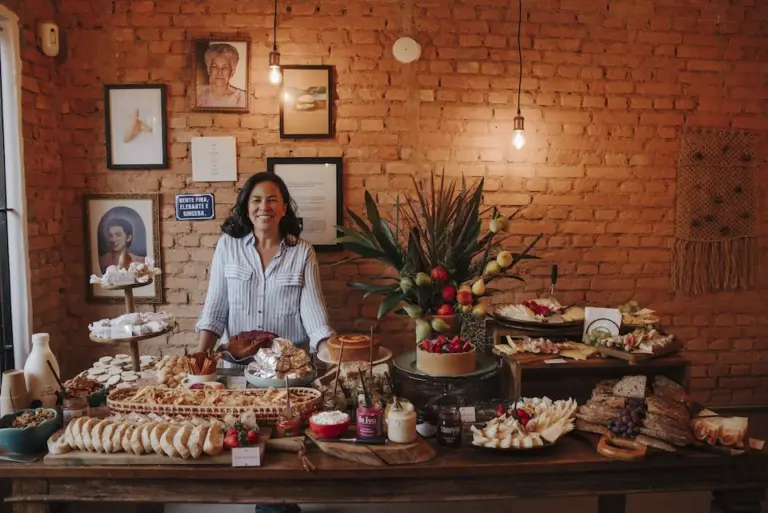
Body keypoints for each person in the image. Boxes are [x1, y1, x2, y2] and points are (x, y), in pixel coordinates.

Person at [196, 43, 247, 108]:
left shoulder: (242, 99)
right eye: (215, 66)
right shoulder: (197, 94)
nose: (220, 72)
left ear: (232, 72)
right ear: (209, 70)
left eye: (225, 67)